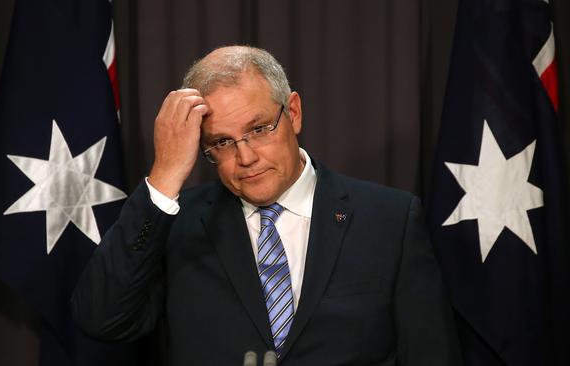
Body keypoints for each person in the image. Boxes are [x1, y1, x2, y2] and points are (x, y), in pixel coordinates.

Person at [72, 45, 462, 365]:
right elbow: (101, 318)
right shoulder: (178, 225)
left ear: (293, 113)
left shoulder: (390, 220)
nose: (246, 157)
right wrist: (163, 178)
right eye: (222, 142)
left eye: (259, 130)